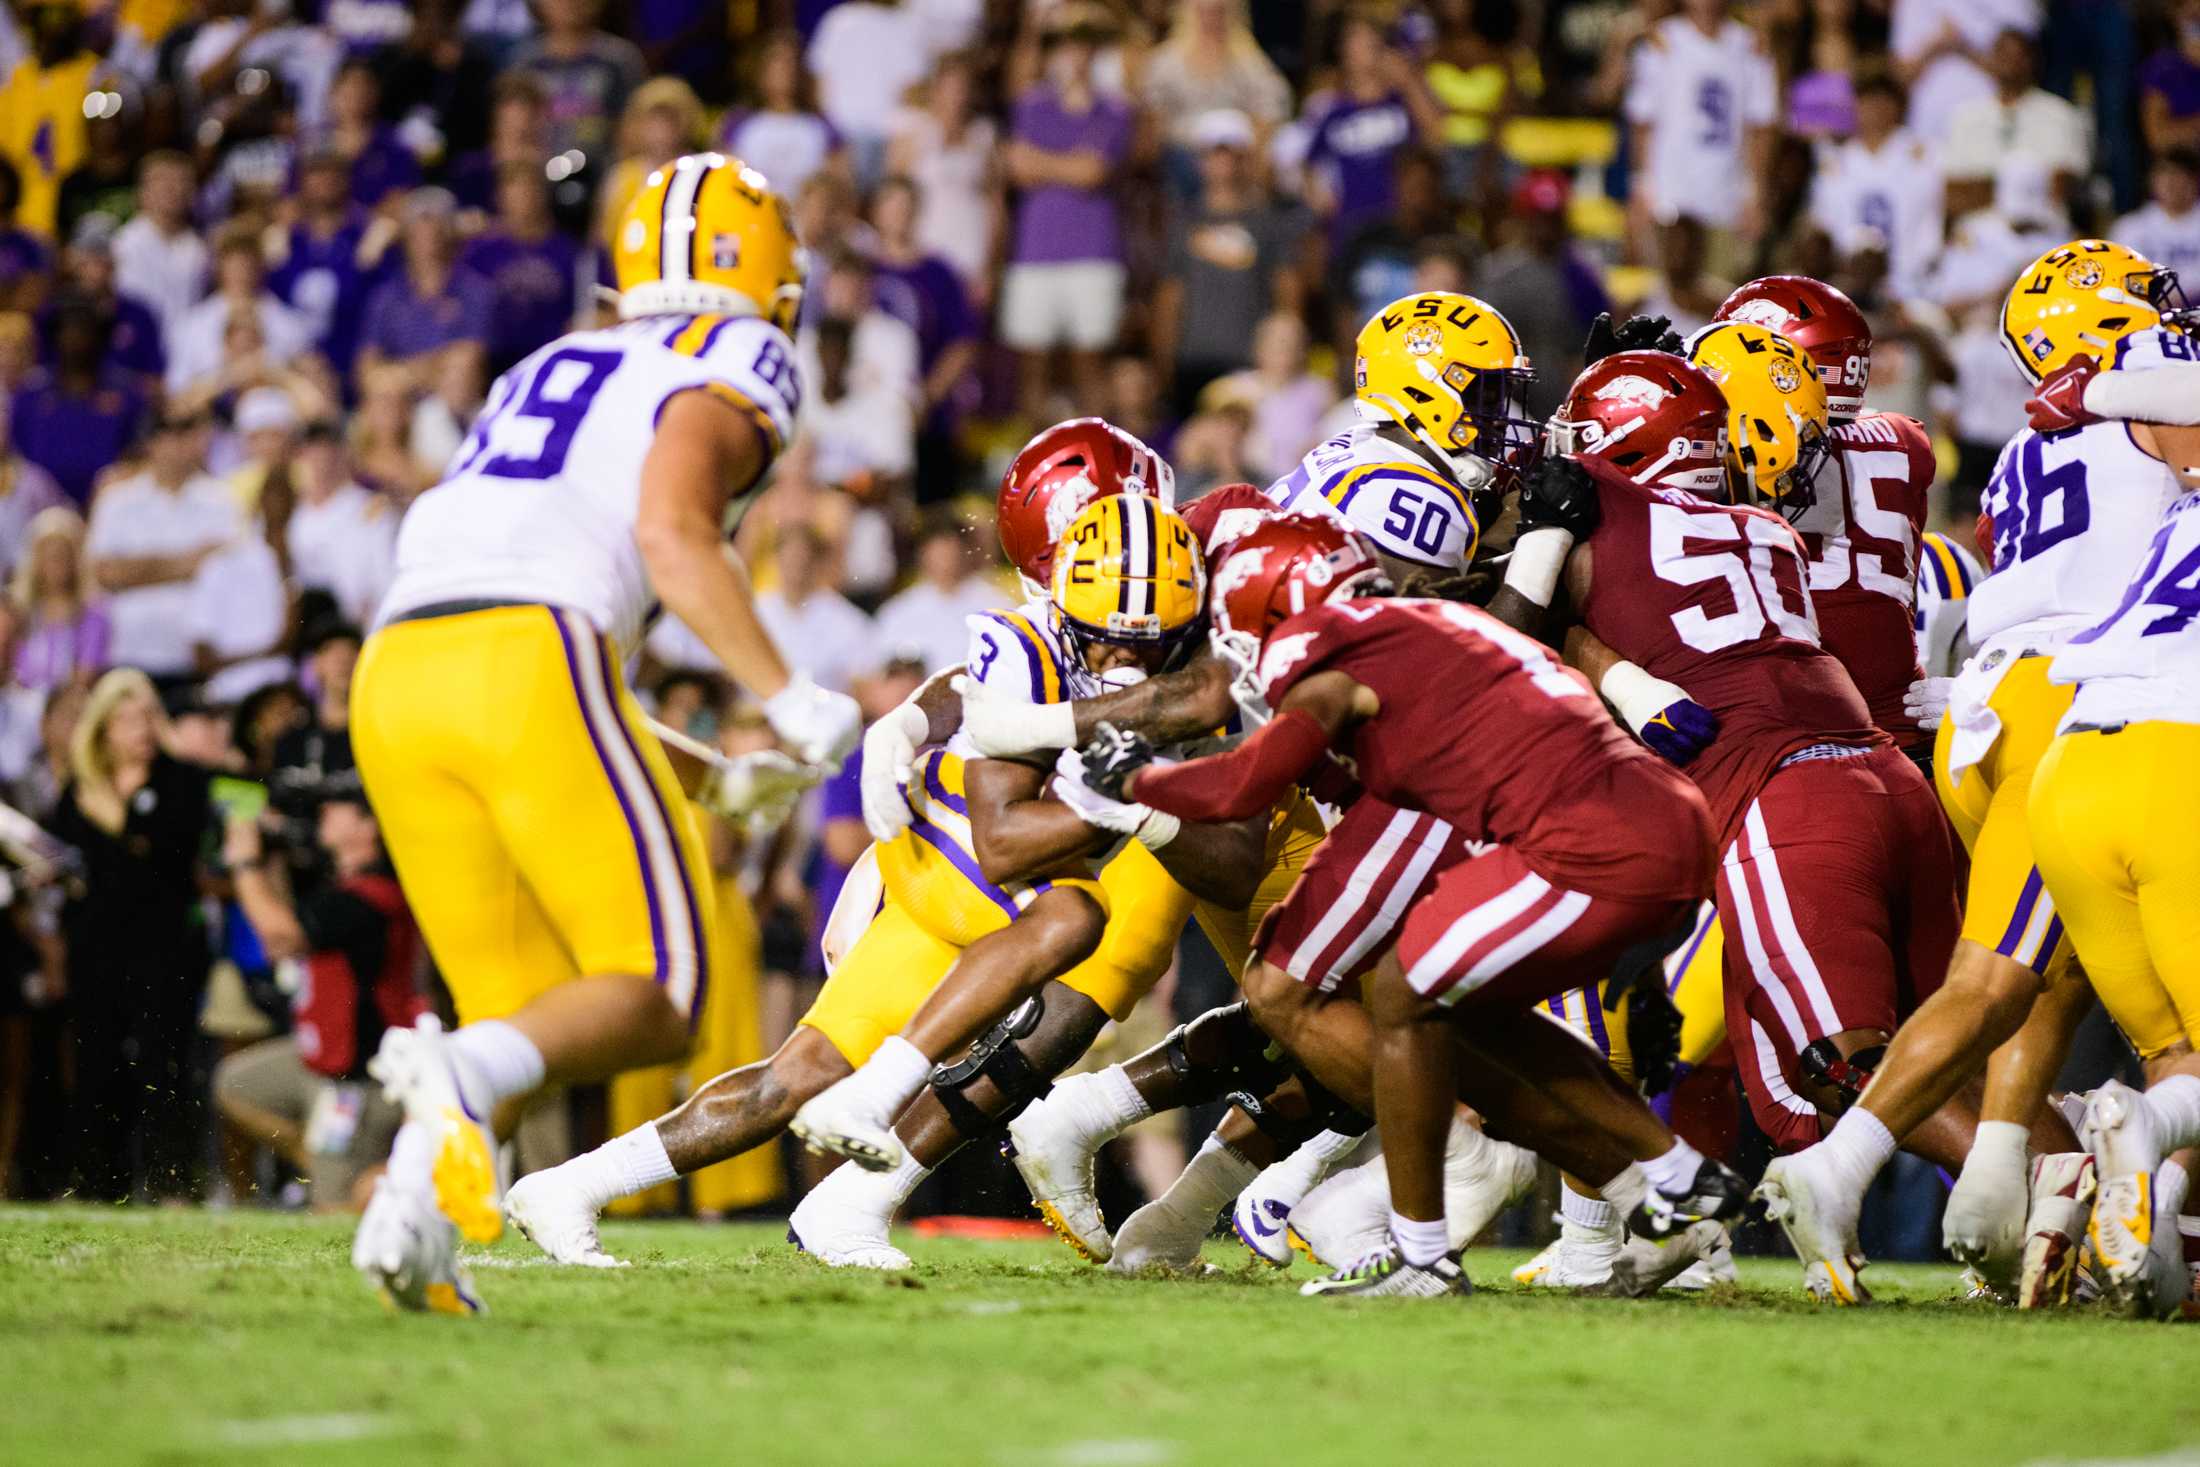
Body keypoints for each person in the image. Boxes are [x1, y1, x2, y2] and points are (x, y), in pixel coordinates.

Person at [348, 152, 857, 1313]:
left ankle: (412, 1220)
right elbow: (672, 535)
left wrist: (705, 771)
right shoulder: (735, 353)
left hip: (400, 667)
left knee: (521, 1014)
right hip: (527, 653)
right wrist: (790, 695)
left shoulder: (554, 358)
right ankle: (453, 1083)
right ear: (765, 270)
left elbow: (533, 626)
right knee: (655, 987)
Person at [505, 487, 1253, 1268]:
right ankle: (878, 1091)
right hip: (952, 846)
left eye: (1149, 643)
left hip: (981, 891)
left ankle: (571, 1188)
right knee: (1075, 915)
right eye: (1104, 640)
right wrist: (1135, 793)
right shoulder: (1025, 643)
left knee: (788, 1081)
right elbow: (1003, 842)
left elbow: (1227, 863)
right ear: (1065, 607)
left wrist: (1152, 800)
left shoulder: (1198, 673)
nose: (1123, 662)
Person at [1087, 511, 1744, 1299]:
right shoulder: (1428, 619)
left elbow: (1247, 784)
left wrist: (1132, 780)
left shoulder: (1327, 641)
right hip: (1662, 817)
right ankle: (1672, 1172)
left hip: (1586, 840)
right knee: (1462, 1018)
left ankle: (1422, 1255)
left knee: (1402, 992)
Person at [1757, 240, 2188, 1306]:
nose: (2165, 310)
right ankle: (1857, 1168)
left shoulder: (2027, 446)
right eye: (2143, 303)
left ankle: (2018, 1197)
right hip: (2085, 703)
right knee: (2002, 977)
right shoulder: (2149, 387)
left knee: (2043, 966)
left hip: (1984, 706)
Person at [2025, 325, 2200, 1318]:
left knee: (2176, 1061)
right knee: (2172, 1082)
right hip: (2176, 761)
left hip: (2071, 764)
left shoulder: (2176, 516)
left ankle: (2151, 1250)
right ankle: (2130, 1138)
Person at [215, 781, 428, 1210]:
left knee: (332, 1210)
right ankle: (327, 1160)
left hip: (360, 1077)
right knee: (235, 1082)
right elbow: (292, 916)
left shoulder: (371, 896)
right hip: (320, 1061)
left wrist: (245, 862)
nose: (325, 813)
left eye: (339, 807)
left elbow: (280, 935)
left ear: (370, 827)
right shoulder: (344, 888)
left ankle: (388, 1179)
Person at [48, 669, 216, 1202]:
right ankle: (100, 1185)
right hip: (97, 949)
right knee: (97, 1064)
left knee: (165, 1062)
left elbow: (172, 850)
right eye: (124, 718)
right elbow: (68, 860)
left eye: (146, 715)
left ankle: (174, 1186)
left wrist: (120, 821)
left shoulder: (182, 781)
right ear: (103, 729)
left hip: (165, 949)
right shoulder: (79, 791)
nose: (139, 728)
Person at [1000, 11, 1136, 417]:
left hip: (1093, 253)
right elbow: (1018, 167)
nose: (1075, 56)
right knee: (1032, 368)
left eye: (1083, 47)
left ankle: (1102, 466)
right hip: (1036, 252)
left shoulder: (1114, 110)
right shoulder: (1032, 105)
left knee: (1090, 366)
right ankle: (1033, 471)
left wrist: (1045, 165)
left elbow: (1095, 172)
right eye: (1067, 47)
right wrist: (1070, 166)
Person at [1151, 108, 1304, 418]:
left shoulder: (1268, 223)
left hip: (1251, 361)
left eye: (1232, 155)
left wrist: (1285, 352)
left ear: (1245, 159)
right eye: (1214, 155)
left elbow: (1286, 288)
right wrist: (1163, 360)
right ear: (1200, 162)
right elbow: (1170, 296)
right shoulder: (1183, 224)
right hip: (1193, 359)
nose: (1223, 165)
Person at [86, 407, 243, 688]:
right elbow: (106, 573)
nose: (179, 444)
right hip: (129, 650)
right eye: (169, 434)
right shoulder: (118, 501)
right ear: (151, 442)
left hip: (196, 657)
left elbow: (227, 571)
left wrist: (139, 570)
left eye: (186, 434)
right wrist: (188, 562)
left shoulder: (222, 500)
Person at [1623, 0, 1779, 270]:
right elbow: (1642, 122)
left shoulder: (1750, 45)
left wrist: (1756, 196)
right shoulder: (1663, 41)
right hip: (1668, 196)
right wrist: (1642, 185)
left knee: (1720, 295)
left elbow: (1761, 126)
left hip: (1726, 198)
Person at [1475, 170, 1613, 419]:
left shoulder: (1582, 275)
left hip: (1561, 394)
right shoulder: (1497, 274)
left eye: (1552, 220)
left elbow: (1595, 346)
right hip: (1507, 393)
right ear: (1523, 218)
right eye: (1539, 219)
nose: (1546, 228)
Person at [1807, 72, 1945, 305]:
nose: (1875, 109)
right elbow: (1824, 228)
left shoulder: (1924, 155)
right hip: (1848, 286)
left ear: (1897, 106)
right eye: (1868, 100)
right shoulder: (1837, 162)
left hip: (1911, 283)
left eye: (1883, 100)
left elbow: (1935, 217)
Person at [8, 298, 151, 505]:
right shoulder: (29, 395)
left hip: (110, 501)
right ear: (55, 336)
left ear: (100, 337)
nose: (76, 338)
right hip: (38, 508)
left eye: (84, 330)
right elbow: (16, 459)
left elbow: (139, 454)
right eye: (67, 329)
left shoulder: (127, 394)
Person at [1938, 30, 2087, 226]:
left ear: (2033, 62)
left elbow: (2063, 189)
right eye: (2003, 54)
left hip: (2043, 236)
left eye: (2020, 55)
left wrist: (1984, 186)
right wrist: (2027, 185)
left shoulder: (2061, 114)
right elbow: (1954, 196)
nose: (2011, 62)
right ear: (1991, 59)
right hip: (1978, 239)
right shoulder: (1964, 117)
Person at [355, 189, 492, 399]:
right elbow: (366, 369)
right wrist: (428, 369)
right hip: (399, 404)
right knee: (380, 400)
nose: (428, 234)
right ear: (407, 234)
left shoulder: (474, 290)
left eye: (436, 224)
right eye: (420, 224)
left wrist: (399, 374)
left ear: (450, 232)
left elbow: (470, 358)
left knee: (458, 374)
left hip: (452, 402)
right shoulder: (386, 295)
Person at [165, 224, 315, 401]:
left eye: (248, 261)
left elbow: (308, 388)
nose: (241, 270)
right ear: (219, 266)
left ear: (261, 265)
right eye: (233, 261)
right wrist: (233, 376)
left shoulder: (289, 324)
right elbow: (177, 393)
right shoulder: (191, 326)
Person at [459, 162, 582, 376]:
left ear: (544, 196)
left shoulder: (570, 251)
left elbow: (595, 304)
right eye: (516, 190)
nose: (525, 198)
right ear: (500, 197)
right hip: (492, 362)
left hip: (553, 358)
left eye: (531, 189)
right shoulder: (479, 251)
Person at [508, 0, 644, 172]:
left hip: (603, 178)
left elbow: (633, 128)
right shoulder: (524, 63)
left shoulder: (619, 61)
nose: (569, 3)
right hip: (538, 182)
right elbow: (511, 133)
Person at [285, 423, 396, 625]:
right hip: (311, 629)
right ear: (301, 456)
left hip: (360, 624)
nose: (321, 461)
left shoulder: (369, 508)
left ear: (343, 453)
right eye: (313, 452)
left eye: (328, 451)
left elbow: (384, 575)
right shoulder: (294, 514)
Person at [718, 31, 847, 204]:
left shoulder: (823, 126)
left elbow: (840, 182)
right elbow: (723, 177)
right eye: (777, 63)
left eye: (790, 64)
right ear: (761, 70)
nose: (785, 71)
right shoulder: (737, 123)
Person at [873, 515, 1006, 673]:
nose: (944, 560)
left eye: (950, 551)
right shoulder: (897, 612)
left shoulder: (998, 607)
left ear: (965, 551)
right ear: (922, 553)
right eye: (937, 552)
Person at [110, 152, 211, 347]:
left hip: (185, 353)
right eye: (161, 181)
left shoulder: (199, 250)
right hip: (137, 352)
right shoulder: (123, 244)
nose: (171, 189)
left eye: (180, 181)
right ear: (142, 191)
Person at [11, 506, 107, 693]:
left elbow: (85, 674)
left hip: (67, 708)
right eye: (47, 555)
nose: (55, 562)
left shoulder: (92, 614)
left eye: (62, 554)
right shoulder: (19, 613)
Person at [2112, 149, 2200, 286]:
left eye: (2179, 175)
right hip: (2146, 305)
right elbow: (2119, 277)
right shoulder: (2130, 227)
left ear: (2194, 180)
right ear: (2152, 180)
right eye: (2164, 175)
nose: (2171, 184)